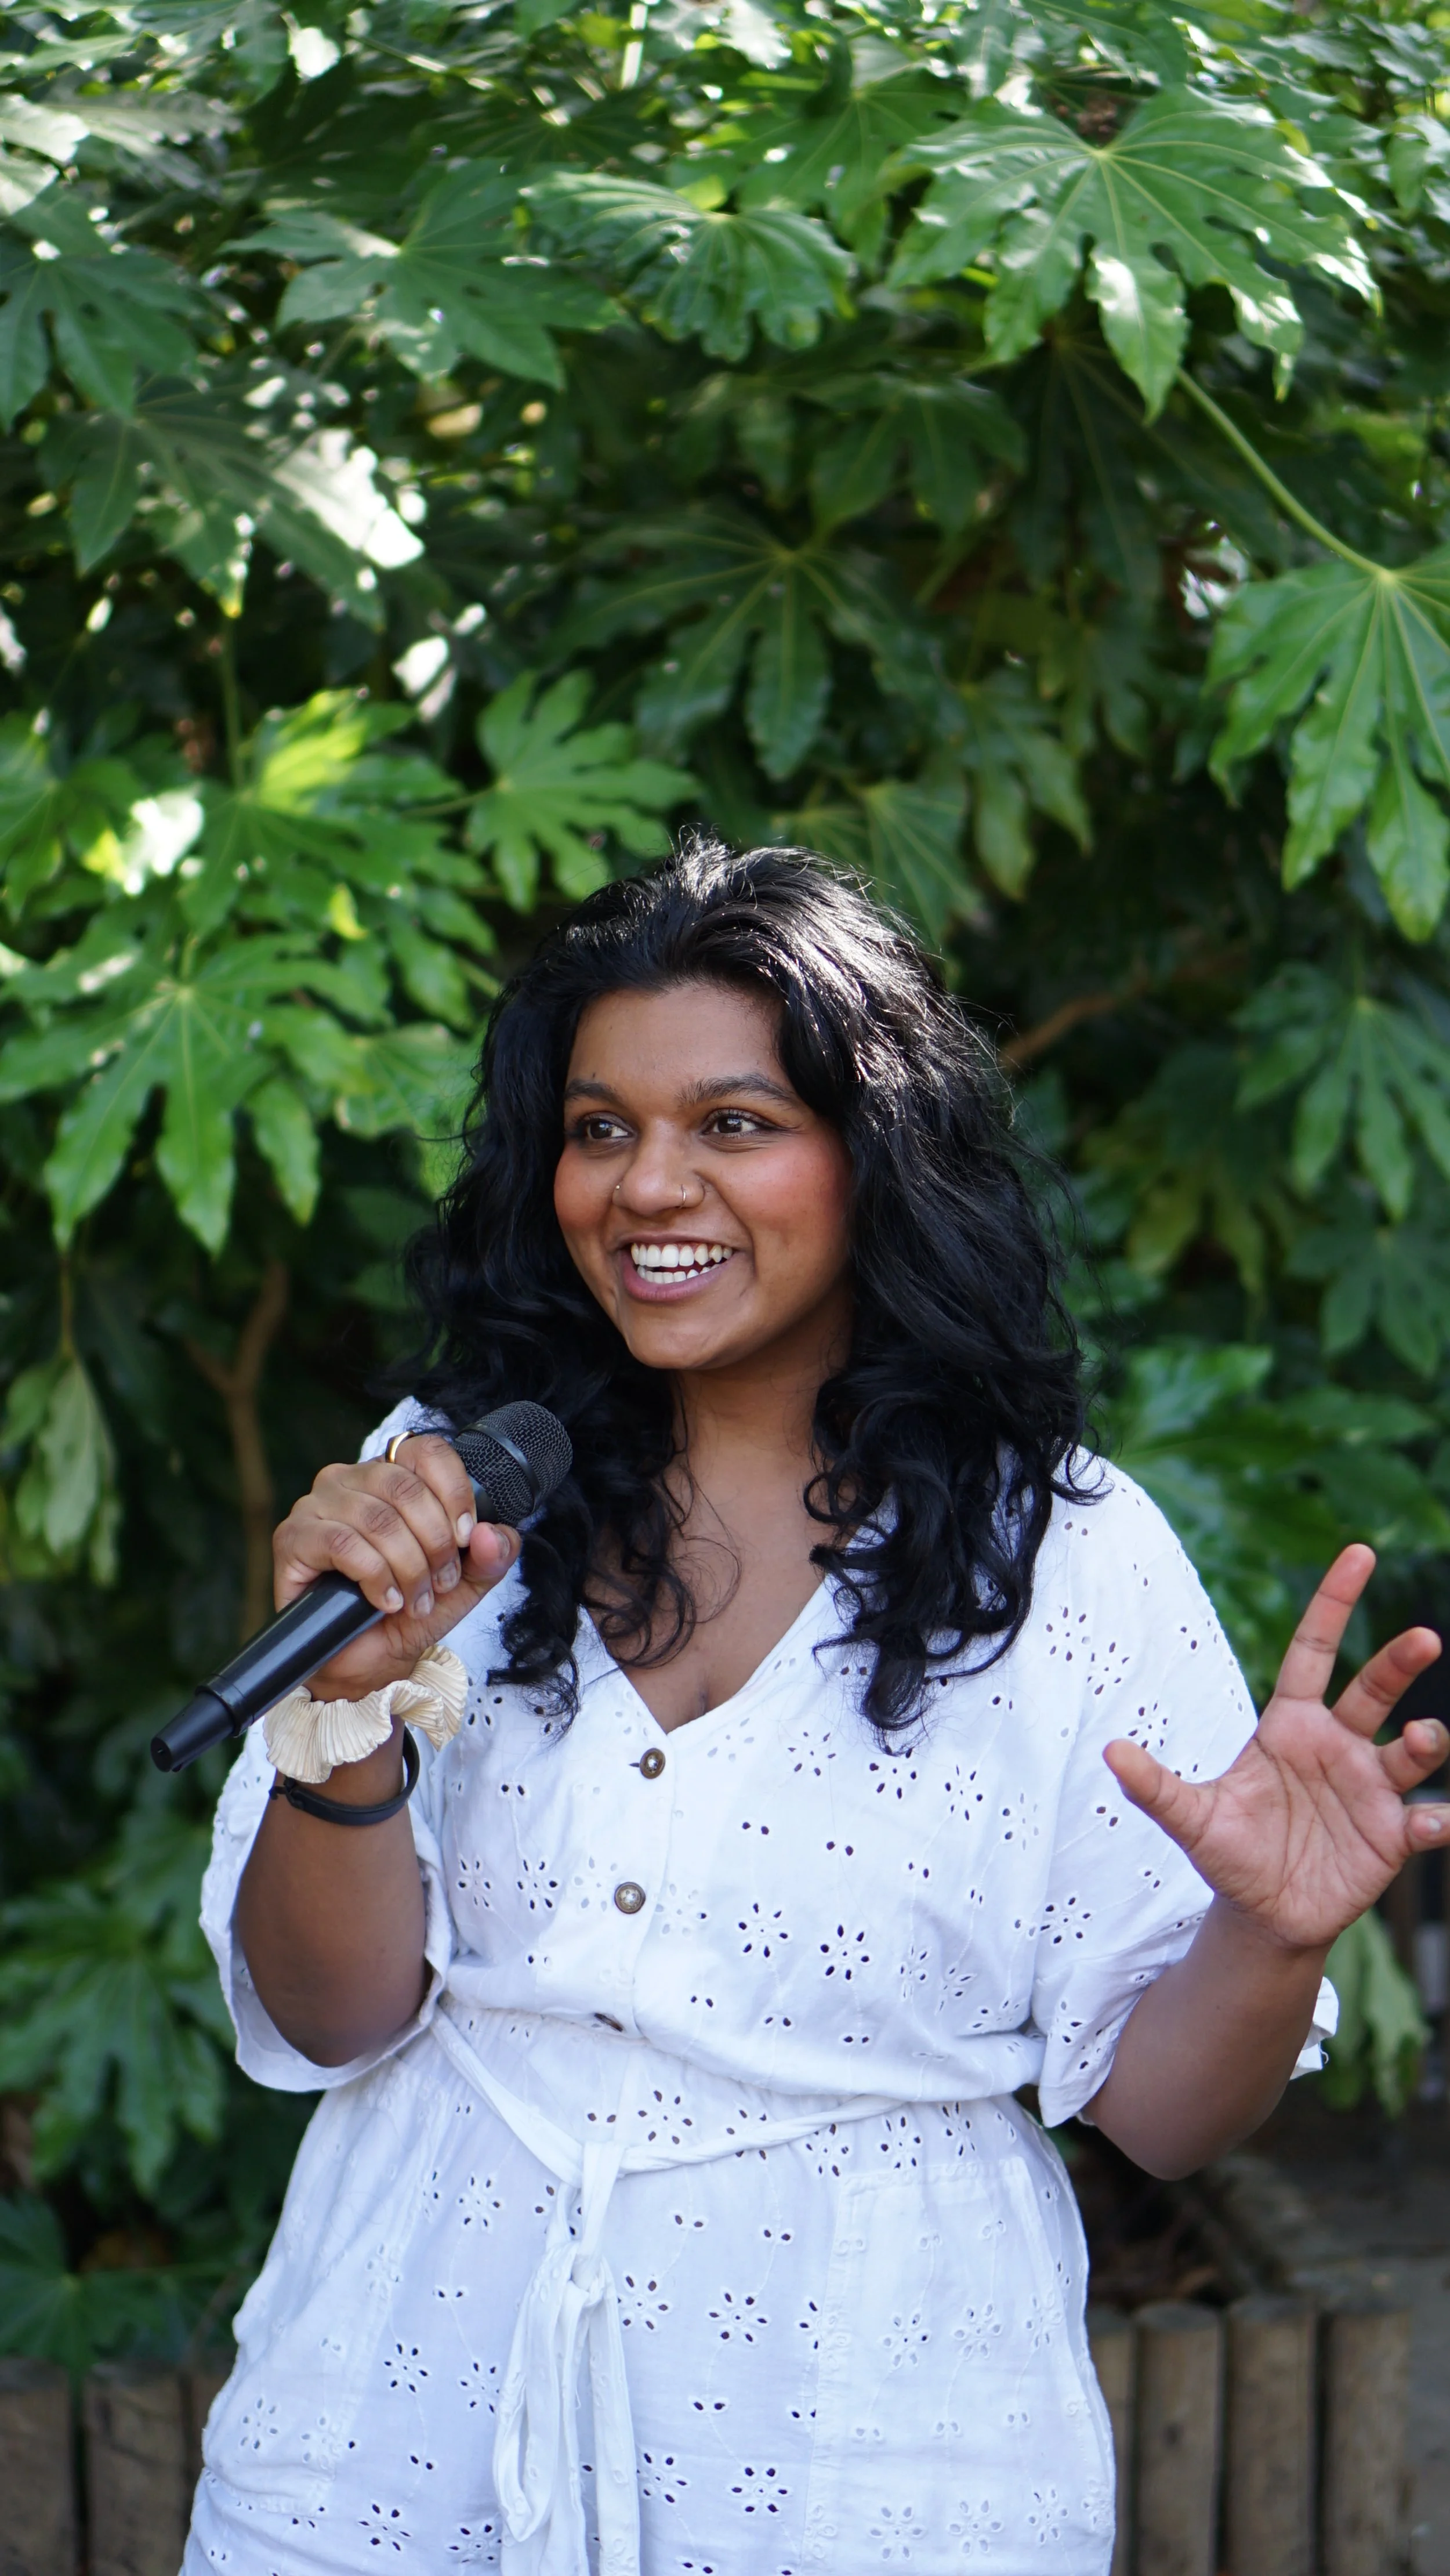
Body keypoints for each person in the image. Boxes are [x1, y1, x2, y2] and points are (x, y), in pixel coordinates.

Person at [184, 844, 1448, 2576]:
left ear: (874, 1156)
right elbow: (336, 2021)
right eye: (597, 1126)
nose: (644, 1185)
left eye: (732, 1123)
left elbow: (1162, 2117)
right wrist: (341, 1708)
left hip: (874, 2444)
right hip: (390, 2423)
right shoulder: (456, 1489)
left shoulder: (1061, 1556)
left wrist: (1267, 1933)